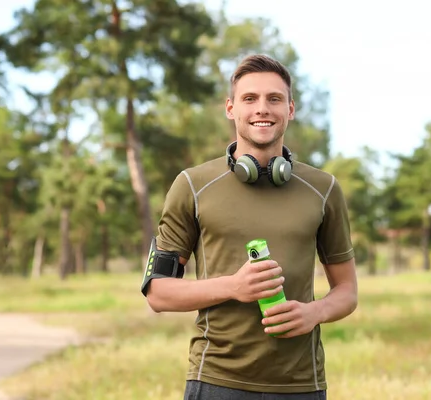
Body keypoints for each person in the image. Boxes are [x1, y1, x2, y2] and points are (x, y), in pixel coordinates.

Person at [141, 54, 358, 400]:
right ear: (231, 108)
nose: (262, 109)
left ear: (290, 109)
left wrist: (314, 312)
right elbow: (158, 293)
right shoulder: (192, 185)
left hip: (301, 385)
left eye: (274, 99)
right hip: (215, 380)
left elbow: (347, 291)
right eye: (249, 99)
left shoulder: (324, 189)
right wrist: (233, 286)